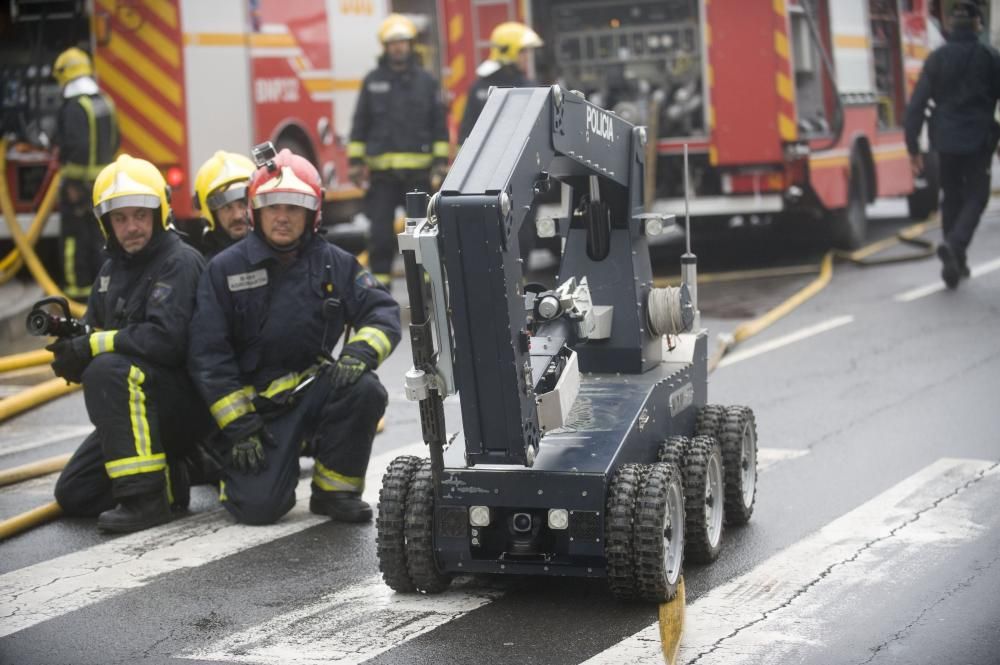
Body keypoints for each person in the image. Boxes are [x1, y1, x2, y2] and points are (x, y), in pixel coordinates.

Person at [187, 148, 401, 525]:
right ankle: (236, 473)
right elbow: (208, 355)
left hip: (312, 390)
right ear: (256, 211)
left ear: (312, 213)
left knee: (364, 389)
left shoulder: (334, 262)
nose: (282, 217)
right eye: (272, 207)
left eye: (294, 207)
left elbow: (382, 311)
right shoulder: (224, 270)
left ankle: (335, 491)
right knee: (258, 509)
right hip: (255, 413)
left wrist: (359, 354)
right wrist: (238, 428)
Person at [51, 154, 211, 533]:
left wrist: (94, 348)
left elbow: (167, 341)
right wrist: (73, 352)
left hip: (182, 405)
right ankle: (170, 478)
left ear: (159, 213)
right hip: (139, 407)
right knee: (73, 494)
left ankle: (145, 500)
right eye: (120, 219)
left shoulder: (180, 262)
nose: (131, 227)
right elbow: (94, 334)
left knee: (107, 369)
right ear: (106, 223)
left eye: (140, 215)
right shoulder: (111, 271)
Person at [347, 13, 449, 286]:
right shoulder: (372, 81)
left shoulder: (426, 82)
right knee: (380, 235)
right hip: (382, 179)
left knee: (423, 234)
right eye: (393, 43)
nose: (398, 47)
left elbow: (438, 122)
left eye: (403, 42)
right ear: (385, 46)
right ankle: (380, 289)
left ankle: (429, 286)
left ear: (410, 45)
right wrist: (355, 161)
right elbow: (360, 122)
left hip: (418, 177)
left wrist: (441, 160)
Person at [904, 0, 1000, 289]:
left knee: (952, 197)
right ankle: (955, 245)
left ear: (949, 26)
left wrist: (913, 147)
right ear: (977, 25)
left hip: (944, 140)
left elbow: (917, 105)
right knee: (977, 196)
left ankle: (955, 261)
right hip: (978, 140)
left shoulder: (937, 58)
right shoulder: (990, 57)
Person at [52, 47, 120, 299]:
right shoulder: (104, 101)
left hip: (77, 189)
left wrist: (73, 185)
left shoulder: (72, 107)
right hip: (103, 187)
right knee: (100, 239)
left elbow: (75, 147)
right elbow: (116, 141)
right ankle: (102, 292)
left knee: (74, 242)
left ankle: (76, 294)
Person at [458, 21, 543, 145]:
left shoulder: (531, 86)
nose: (527, 57)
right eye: (522, 51)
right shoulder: (479, 88)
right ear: (507, 51)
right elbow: (467, 132)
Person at [191, 150, 255, 257]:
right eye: (226, 207)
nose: (237, 216)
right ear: (212, 214)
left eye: (243, 204)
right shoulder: (209, 268)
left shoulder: (279, 254)